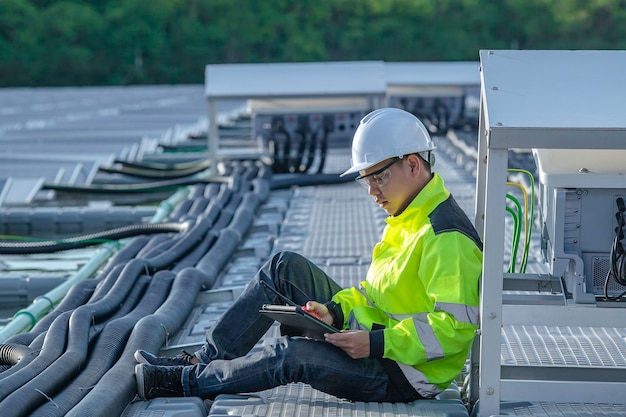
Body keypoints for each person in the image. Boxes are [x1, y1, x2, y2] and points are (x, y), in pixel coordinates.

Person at [134, 107, 483, 402]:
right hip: (377, 338)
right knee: (282, 268)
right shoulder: (409, 214)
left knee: (292, 356)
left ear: (412, 165)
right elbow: (377, 293)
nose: (373, 192)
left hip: (402, 373)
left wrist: (376, 344)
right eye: (366, 181)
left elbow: (455, 330)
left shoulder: (445, 235)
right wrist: (333, 311)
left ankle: (186, 383)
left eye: (379, 178)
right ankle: (202, 359)